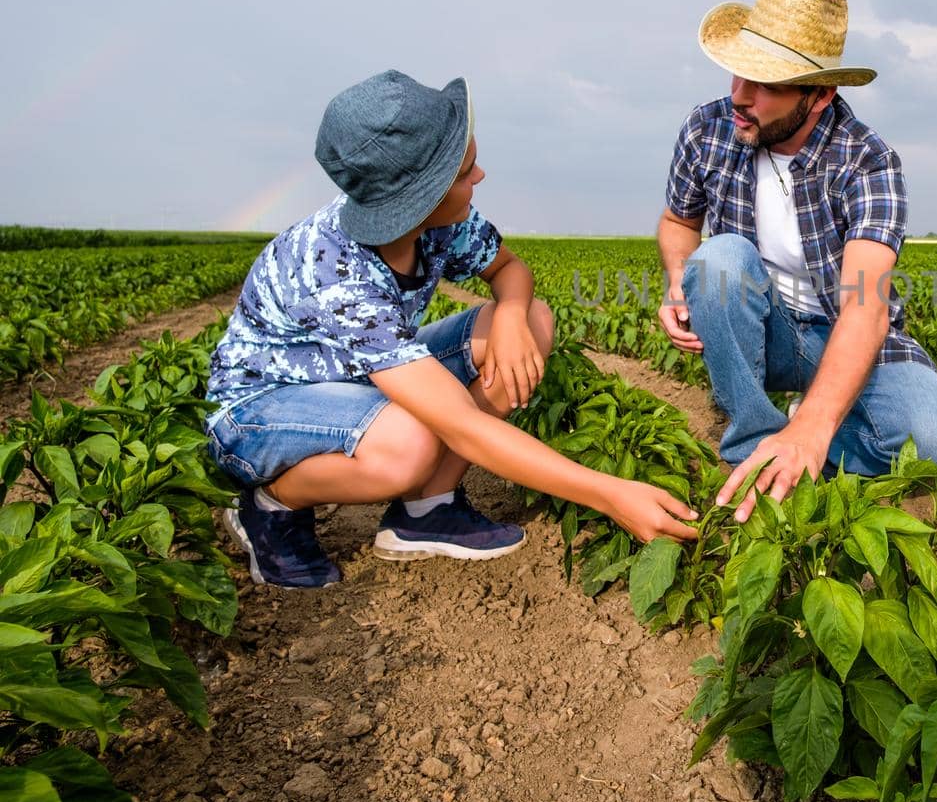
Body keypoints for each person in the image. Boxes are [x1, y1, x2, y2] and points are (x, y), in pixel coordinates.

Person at [207, 69, 697, 588]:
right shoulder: (333, 268)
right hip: (263, 411)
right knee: (411, 443)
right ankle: (271, 508)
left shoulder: (446, 222)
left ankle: (426, 510)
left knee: (533, 319)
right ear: (420, 198)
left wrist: (509, 316)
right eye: (465, 171)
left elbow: (511, 271)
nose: (479, 176)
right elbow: (461, 424)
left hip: (358, 377)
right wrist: (610, 493)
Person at [656, 0, 937, 523]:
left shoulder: (867, 162)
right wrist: (677, 280)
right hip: (763, 327)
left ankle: (801, 435)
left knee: (936, 440)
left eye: (766, 84)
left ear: (819, 95)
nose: (740, 96)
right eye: (738, 73)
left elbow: (865, 306)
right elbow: (678, 221)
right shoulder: (708, 129)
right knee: (719, 260)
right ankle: (752, 453)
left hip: (840, 332)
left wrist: (811, 427)